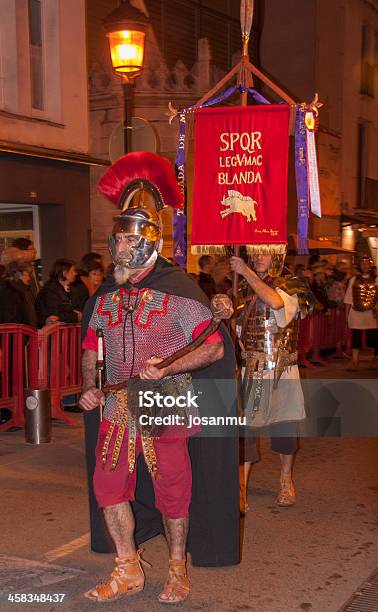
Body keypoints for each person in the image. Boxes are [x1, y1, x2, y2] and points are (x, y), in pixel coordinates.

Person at [79, 152, 239, 604]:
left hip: (166, 402)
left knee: (173, 491)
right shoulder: (108, 296)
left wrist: (168, 366)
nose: (121, 253)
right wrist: (90, 386)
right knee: (108, 488)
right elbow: (92, 345)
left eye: (129, 246)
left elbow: (212, 346)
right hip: (117, 407)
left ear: (148, 244)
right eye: (118, 245)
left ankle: (176, 567)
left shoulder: (179, 291)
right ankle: (127, 567)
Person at [230, 252, 314, 513]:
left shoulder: (292, 283)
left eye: (264, 252)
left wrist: (245, 272)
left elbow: (276, 304)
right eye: (254, 253)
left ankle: (286, 479)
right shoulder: (242, 287)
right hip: (251, 367)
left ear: (277, 256)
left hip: (281, 370)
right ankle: (241, 485)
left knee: (284, 429)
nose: (258, 257)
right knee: (246, 431)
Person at [344, 256, 378, 370]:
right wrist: (346, 316)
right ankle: (354, 361)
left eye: (367, 263)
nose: (365, 265)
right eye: (363, 263)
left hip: (371, 314)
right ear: (360, 265)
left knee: (373, 338)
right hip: (356, 313)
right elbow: (348, 299)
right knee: (356, 337)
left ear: (370, 265)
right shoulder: (353, 280)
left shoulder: (376, 280)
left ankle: (375, 359)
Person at [36, 259, 82, 327]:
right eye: (72, 271)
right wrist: (76, 316)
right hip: (50, 332)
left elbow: (78, 307)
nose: (75, 273)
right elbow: (55, 316)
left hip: (64, 331)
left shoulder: (72, 289)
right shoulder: (50, 290)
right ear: (64, 273)